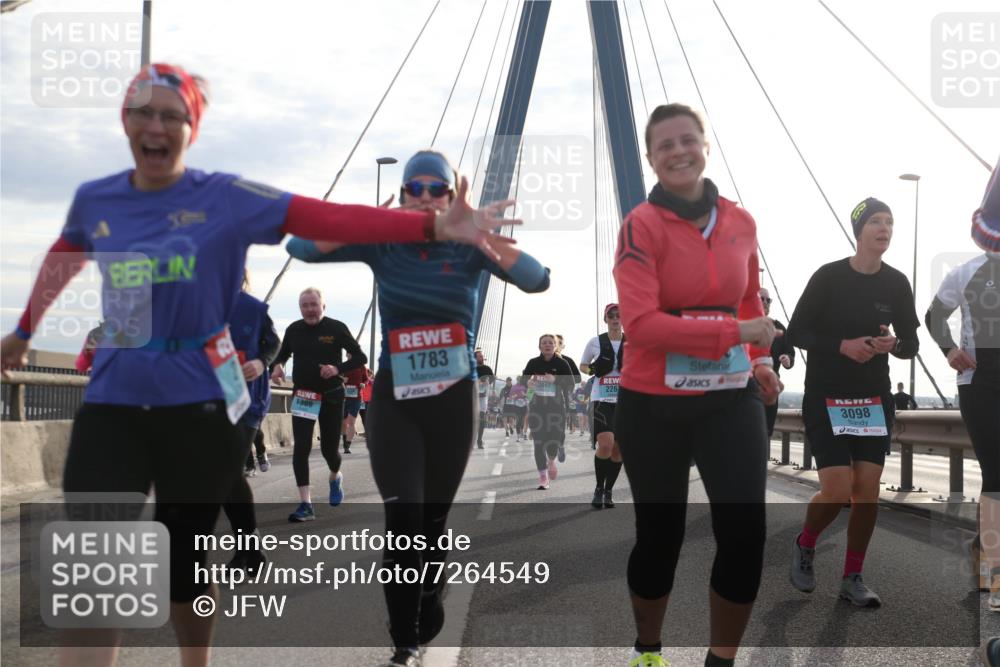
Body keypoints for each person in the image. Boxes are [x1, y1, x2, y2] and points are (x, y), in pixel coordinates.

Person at [0, 63, 517, 667]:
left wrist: (426, 222)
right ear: (126, 121)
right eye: (144, 112)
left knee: (183, 570)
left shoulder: (226, 196)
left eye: (174, 114)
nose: (157, 125)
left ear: (192, 126)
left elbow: (327, 220)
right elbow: (66, 250)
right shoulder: (97, 198)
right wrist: (22, 332)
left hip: (195, 407)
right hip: (113, 401)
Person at [286, 149, 549, 667]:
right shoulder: (385, 244)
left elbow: (538, 279)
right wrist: (368, 221)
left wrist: (481, 236)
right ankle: (404, 640)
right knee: (403, 519)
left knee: (431, 524)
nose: (426, 197)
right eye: (416, 189)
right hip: (396, 402)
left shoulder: (471, 249)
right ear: (405, 194)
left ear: (451, 196)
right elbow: (301, 246)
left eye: (437, 189)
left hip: (452, 404)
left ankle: (430, 593)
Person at [612, 103, 781, 667]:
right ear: (651, 159)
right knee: (661, 538)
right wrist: (738, 332)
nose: (679, 151)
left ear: (706, 145)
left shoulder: (741, 222)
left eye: (689, 139)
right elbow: (640, 326)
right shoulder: (641, 225)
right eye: (665, 145)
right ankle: (648, 651)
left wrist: (759, 359)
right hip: (652, 403)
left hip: (729, 399)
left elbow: (749, 299)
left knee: (744, 534)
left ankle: (721, 661)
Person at [787, 196, 920, 610]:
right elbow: (796, 333)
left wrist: (892, 343)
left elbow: (911, 344)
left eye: (890, 223)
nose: (885, 229)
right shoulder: (828, 277)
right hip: (827, 397)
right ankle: (806, 543)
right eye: (876, 222)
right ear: (859, 230)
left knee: (867, 492)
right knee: (838, 489)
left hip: (873, 399)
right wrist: (841, 345)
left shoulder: (896, 283)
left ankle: (853, 577)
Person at [925, 163, 999, 612]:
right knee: (997, 473)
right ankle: (994, 573)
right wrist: (951, 350)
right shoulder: (967, 272)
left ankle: (980, 547)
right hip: (980, 383)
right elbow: (933, 316)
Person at [271, 288, 365, 521]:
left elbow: (360, 357)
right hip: (304, 394)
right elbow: (282, 354)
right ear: (300, 307)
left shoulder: (336, 328)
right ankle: (306, 505)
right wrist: (278, 365)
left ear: (323, 306)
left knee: (329, 450)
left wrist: (337, 369)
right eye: (305, 305)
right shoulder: (294, 329)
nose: (310, 309)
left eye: (314, 304)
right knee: (301, 447)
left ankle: (335, 476)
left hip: (332, 395)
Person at [221, 270, 279, 571]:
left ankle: (250, 546)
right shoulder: (198, 306)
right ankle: (249, 546)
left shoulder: (253, 308)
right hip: (212, 399)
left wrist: (261, 361)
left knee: (228, 470)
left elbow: (273, 342)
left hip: (248, 401)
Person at [580, 303, 626, 509]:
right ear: (605, 319)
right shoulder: (595, 342)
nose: (615, 319)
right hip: (602, 400)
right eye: (611, 316)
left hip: (627, 401)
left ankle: (609, 491)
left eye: (619, 315)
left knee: (619, 451)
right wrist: (594, 369)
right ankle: (599, 489)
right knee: (606, 445)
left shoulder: (633, 341)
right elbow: (583, 366)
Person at [521, 335, 576, 490]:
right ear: (539, 346)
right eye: (544, 343)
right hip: (537, 408)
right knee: (539, 442)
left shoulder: (562, 363)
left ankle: (551, 460)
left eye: (550, 343)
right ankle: (543, 477)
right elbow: (522, 380)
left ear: (555, 346)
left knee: (555, 439)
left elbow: (571, 383)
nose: (547, 345)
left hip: (557, 408)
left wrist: (555, 380)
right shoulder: (533, 362)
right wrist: (528, 382)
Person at [759, 287, 795, 437]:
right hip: (745, 391)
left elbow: (790, 352)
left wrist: (788, 359)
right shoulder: (741, 323)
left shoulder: (779, 327)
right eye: (762, 299)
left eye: (769, 300)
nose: (766, 303)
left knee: (764, 434)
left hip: (771, 391)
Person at [341, 357, 372, 454]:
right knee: (344, 422)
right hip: (344, 398)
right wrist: (342, 380)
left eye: (352, 353)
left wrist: (363, 384)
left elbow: (366, 380)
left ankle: (347, 445)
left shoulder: (361, 367)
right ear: (347, 355)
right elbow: (335, 377)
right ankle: (344, 440)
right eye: (348, 353)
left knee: (351, 421)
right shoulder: (344, 365)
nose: (350, 355)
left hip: (356, 397)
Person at [474, 348, 495, 448]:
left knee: (482, 419)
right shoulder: (470, 368)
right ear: (475, 358)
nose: (482, 357)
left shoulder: (487, 368)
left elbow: (492, 378)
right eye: (480, 356)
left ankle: (479, 441)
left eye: (482, 356)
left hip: (483, 397)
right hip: (473, 397)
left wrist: (488, 381)